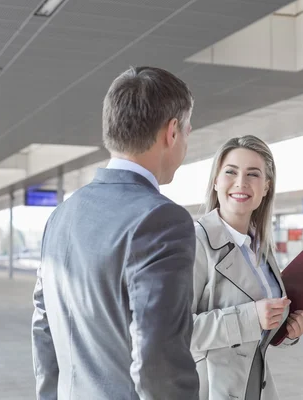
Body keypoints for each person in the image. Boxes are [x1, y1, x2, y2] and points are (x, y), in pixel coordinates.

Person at [31, 66, 199, 399]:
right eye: (189, 131)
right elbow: (159, 362)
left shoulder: (61, 216)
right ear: (173, 131)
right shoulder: (162, 219)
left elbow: (44, 331)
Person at [191, 135, 303, 400]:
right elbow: (171, 331)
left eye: (253, 174)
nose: (241, 183)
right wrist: (250, 318)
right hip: (208, 390)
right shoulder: (194, 242)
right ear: (215, 181)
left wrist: (288, 329)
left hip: (256, 386)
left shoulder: (260, 248)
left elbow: (261, 326)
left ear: (266, 187)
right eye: (231, 172)